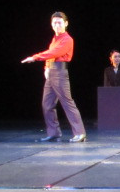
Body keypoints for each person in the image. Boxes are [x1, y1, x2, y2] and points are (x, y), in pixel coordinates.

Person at [21, 11, 87, 142]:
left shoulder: (67, 39)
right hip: (51, 72)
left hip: (60, 73)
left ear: (66, 23)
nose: (57, 25)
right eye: (55, 23)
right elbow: (51, 54)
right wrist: (46, 68)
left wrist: (35, 57)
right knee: (47, 104)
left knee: (67, 102)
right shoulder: (54, 39)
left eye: (60, 22)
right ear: (51, 24)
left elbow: (55, 52)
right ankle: (54, 132)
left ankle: (80, 133)